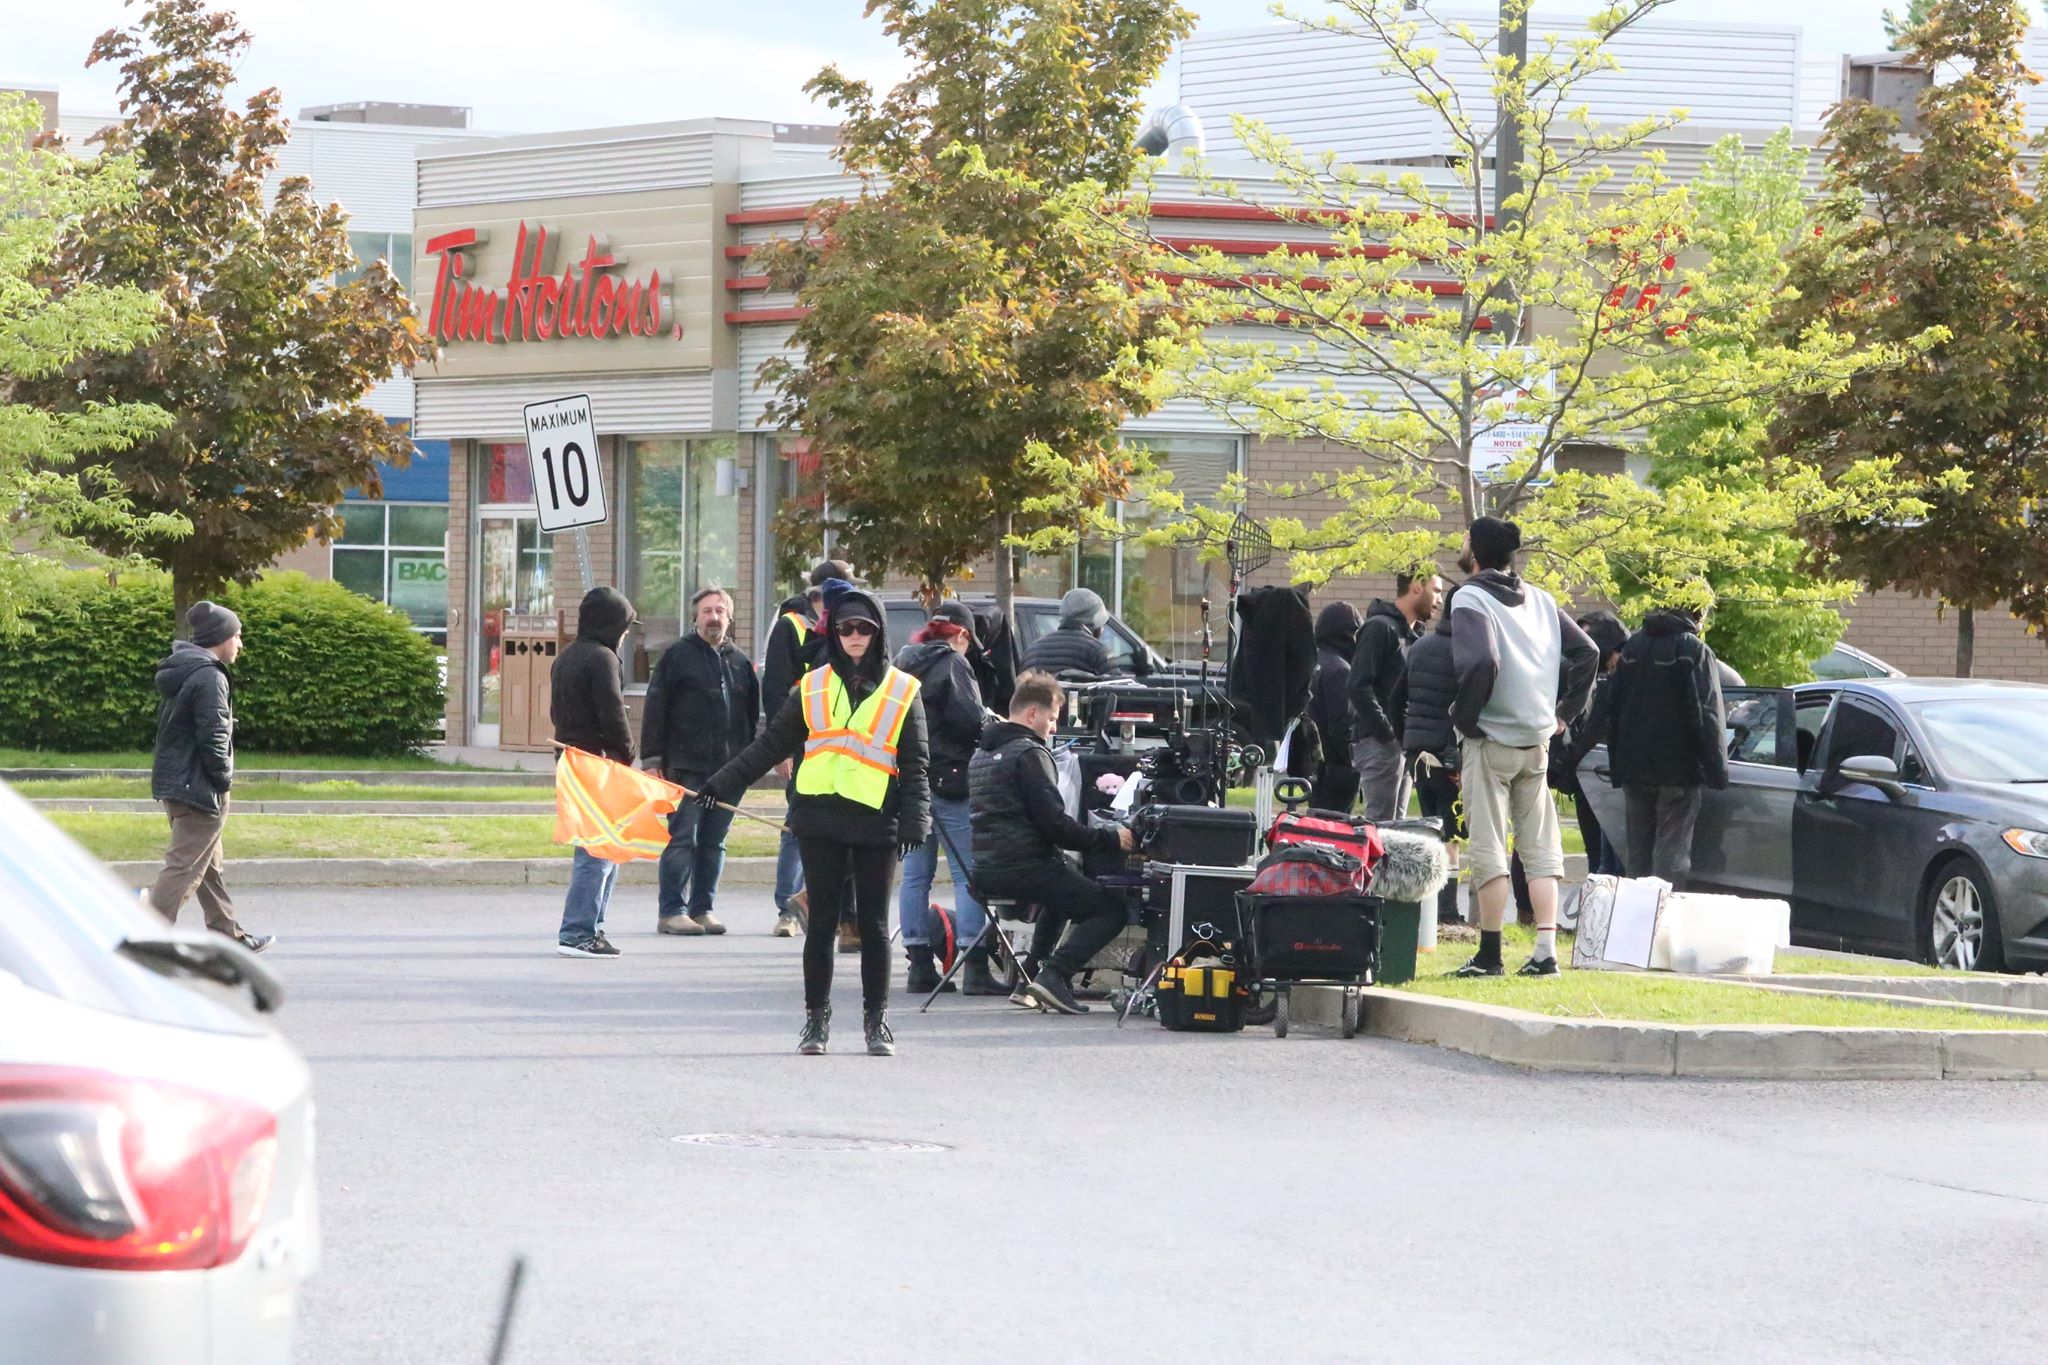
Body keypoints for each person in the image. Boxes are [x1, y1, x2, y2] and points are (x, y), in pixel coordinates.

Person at [702, 584, 930, 1056]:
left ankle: (875, 1022)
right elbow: (769, 745)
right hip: (819, 818)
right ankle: (816, 1021)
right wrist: (721, 783)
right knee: (822, 923)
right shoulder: (813, 685)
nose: (854, 636)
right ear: (834, 632)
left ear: (878, 632)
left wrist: (916, 820)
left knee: (872, 924)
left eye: (864, 628)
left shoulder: (903, 689)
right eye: (845, 627)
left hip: (877, 821)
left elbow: (916, 763)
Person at [1449, 518, 1597, 977]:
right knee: (1541, 847)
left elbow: (1481, 662)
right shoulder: (1544, 600)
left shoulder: (1470, 597)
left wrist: (1465, 718)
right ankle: (1545, 951)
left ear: (1475, 551)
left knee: (1489, 846)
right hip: (1537, 741)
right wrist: (1564, 714)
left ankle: (1490, 954)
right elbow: (1588, 652)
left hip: (1490, 739)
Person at [968, 670, 1136, 1016]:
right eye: (1052, 718)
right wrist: (1110, 838)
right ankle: (1056, 975)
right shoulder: (1029, 753)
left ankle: (1029, 978)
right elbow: (1056, 826)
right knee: (1111, 909)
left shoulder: (982, 753)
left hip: (987, 867)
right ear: (1032, 714)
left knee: (1063, 884)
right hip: (1024, 867)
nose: (1054, 728)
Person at [147, 601, 271, 953]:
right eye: (238, 636)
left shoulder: (186, 669)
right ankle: (146, 937)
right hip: (199, 786)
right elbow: (213, 736)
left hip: (179, 783)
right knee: (184, 867)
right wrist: (224, 778)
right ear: (221, 638)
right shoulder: (209, 676)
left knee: (208, 865)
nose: (240, 644)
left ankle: (228, 935)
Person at [895, 600, 1002, 995]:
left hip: (910, 782)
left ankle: (919, 965)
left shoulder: (902, 662)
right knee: (966, 872)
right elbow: (970, 719)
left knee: (915, 876)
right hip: (950, 778)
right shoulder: (953, 663)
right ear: (962, 635)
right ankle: (974, 965)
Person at [642, 586, 760, 936]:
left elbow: (752, 717)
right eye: (707, 611)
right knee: (682, 838)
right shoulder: (677, 656)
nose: (713, 617)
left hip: (729, 771)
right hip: (685, 767)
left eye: (720, 611)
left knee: (714, 841)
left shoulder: (740, 662)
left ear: (730, 617)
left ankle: (703, 907)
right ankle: (672, 911)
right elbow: (655, 709)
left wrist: (749, 763)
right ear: (695, 616)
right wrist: (652, 760)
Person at [1607, 602, 1730, 889]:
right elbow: (1706, 712)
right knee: (1672, 855)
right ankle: (1663, 922)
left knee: (1638, 854)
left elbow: (1613, 706)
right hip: (1679, 769)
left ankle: (1637, 921)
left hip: (1634, 767)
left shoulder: (1633, 647)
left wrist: (1617, 764)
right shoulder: (1693, 650)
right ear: (1698, 612)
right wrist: (1717, 769)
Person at [760, 559, 849, 937]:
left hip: (838, 746)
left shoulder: (840, 628)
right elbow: (777, 688)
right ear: (817, 595)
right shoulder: (792, 626)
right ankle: (788, 908)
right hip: (802, 742)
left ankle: (819, 905)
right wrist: (780, 749)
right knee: (796, 825)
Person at [552, 586, 638, 958]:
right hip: (596, 762)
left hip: (570, 759)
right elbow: (612, 711)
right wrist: (627, 750)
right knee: (597, 849)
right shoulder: (603, 658)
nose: (626, 633)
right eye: (625, 625)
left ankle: (592, 926)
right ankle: (578, 931)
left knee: (603, 847)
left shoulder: (567, 656)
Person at [1392, 583, 1464, 924]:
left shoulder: (1420, 648)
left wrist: (1405, 738)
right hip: (1450, 755)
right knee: (1454, 830)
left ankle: (1428, 907)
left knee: (1432, 827)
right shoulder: (1467, 652)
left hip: (1418, 754)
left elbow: (1396, 700)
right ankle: (1447, 910)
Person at [1350, 570, 1442, 821]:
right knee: (1381, 826)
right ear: (1416, 587)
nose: (1440, 600)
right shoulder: (1380, 628)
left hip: (1402, 742)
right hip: (1379, 742)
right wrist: (1387, 733)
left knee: (1397, 827)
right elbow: (1358, 685)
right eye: (1436, 591)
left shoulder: (1413, 634)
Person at [1558, 611, 1629, 877]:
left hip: (1597, 771)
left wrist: (1568, 770)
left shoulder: (1611, 682)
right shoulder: (1597, 677)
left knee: (1602, 857)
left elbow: (1592, 731)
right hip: (1603, 772)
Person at [1308, 600, 1364, 813]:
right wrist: (1351, 764)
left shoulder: (1313, 662)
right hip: (1335, 769)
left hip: (1313, 764)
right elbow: (1341, 725)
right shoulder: (1341, 670)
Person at [1019, 587, 1115, 679]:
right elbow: (1115, 688)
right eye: (1102, 623)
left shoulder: (1031, 652)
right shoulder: (1098, 652)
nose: (1102, 630)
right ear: (1096, 623)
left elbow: (1021, 692)